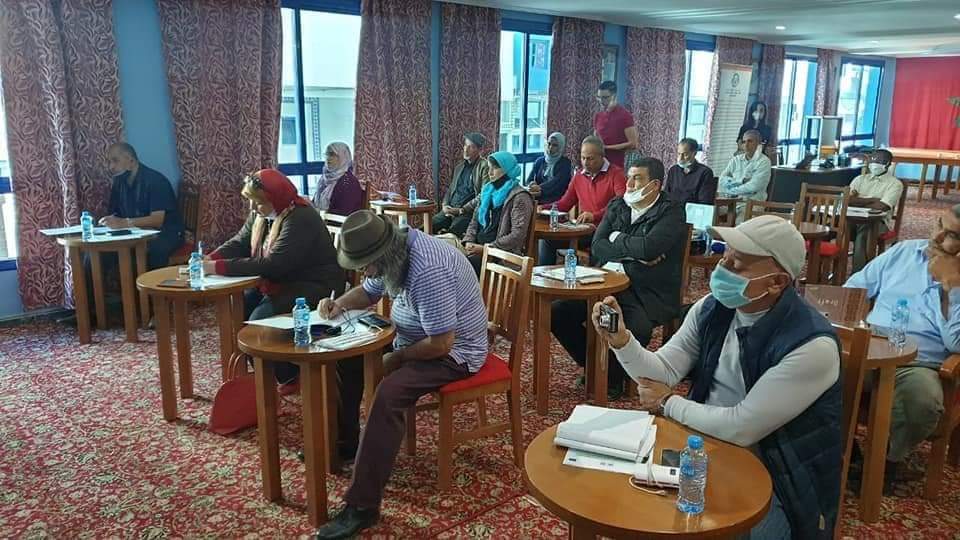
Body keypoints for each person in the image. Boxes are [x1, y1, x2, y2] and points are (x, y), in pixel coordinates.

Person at [593, 215, 841, 539]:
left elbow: (742, 426)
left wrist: (667, 403)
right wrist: (622, 342)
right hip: (704, 445)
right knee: (625, 499)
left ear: (777, 282)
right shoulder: (714, 308)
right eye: (724, 256)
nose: (721, 269)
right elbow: (663, 371)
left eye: (737, 265)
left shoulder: (811, 345)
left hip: (777, 473)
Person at [313, 210, 488, 539]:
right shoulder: (393, 250)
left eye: (366, 265)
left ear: (383, 255)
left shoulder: (428, 269)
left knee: (389, 393)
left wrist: (396, 359)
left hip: (455, 354)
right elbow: (369, 291)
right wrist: (341, 304)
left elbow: (441, 343)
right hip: (414, 339)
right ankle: (347, 442)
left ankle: (363, 506)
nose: (364, 271)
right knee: (348, 360)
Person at [844, 205, 960, 489]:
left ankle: (886, 461)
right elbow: (854, 288)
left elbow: (956, 343)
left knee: (922, 401)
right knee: (817, 372)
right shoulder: (904, 252)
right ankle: (842, 447)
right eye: (939, 224)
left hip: (921, 362)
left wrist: (952, 288)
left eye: (953, 235)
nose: (938, 236)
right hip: (872, 346)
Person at [551, 157, 686, 399]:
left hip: (646, 289)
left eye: (637, 179)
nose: (630, 184)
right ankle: (595, 366)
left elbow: (649, 249)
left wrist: (616, 238)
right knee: (558, 312)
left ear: (655, 185)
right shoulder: (618, 204)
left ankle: (612, 378)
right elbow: (598, 246)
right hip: (605, 281)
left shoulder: (671, 210)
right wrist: (632, 251)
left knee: (636, 327)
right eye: (629, 177)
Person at [204, 169, 344, 383]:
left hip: (315, 284)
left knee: (257, 322)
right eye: (251, 201)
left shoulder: (300, 216)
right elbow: (240, 242)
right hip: (285, 280)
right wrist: (210, 258)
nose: (252, 207)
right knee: (239, 307)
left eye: (258, 202)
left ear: (275, 198)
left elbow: (273, 265)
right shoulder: (263, 214)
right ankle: (267, 373)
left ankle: (287, 375)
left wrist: (216, 267)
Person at [537, 136, 626, 265]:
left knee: (598, 245)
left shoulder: (616, 174)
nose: (585, 162)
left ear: (602, 156)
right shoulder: (579, 175)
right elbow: (565, 203)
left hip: (607, 230)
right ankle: (544, 275)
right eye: (583, 158)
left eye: (590, 158)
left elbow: (620, 204)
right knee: (547, 240)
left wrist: (594, 215)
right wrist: (543, 208)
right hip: (584, 230)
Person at [101, 142, 185, 269]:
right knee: (98, 255)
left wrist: (124, 223)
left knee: (151, 251)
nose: (111, 167)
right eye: (109, 162)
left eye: (115, 161)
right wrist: (109, 221)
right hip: (136, 231)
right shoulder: (119, 182)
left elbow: (157, 220)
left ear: (130, 160)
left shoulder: (156, 181)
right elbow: (114, 213)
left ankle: (147, 282)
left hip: (166, 232)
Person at [462, 151, 535, 275]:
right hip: (479, 248)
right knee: (450, 257)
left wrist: (487, 248)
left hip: (501, 255)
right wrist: (469, 241)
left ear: (507, 170)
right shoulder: (487, 191)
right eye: (489, 168)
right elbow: (474, 222)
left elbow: (517, 235)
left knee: (463, 266)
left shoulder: (520, 197)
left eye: (495, 168)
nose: (490, 173)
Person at [847, 149, 903, 272]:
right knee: (832, 228)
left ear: (888, 164)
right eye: (872, 159)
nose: (874, 163)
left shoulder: (895, 184)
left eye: (879, 161)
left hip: (878, 223)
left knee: (864, 231)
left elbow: (882, 206)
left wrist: (858, 200)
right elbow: (847, 200)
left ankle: (859, 273)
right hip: (852, 219)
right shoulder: (859, 179)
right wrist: (872, 200)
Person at [432, 132, 491, 237]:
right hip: (450, 208)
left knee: (449, 234)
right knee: (426, 227)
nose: (466, 149)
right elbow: (450, 189)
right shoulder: (459, 167)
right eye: (465, 145)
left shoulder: (484, 166)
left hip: (467, 212)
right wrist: (444, 205)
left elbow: (484, 194)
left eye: (471, 147)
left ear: (480, 150)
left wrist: (462, 210)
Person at [717, 130, 772, 223]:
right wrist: (741, 181)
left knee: (740, 224)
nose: (746, 144)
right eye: (744, 141)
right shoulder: (735, 160)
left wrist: (731, 189)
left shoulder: (764, 161)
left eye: (750, 141)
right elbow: (722, 181)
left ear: (758, 144)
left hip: (752, 203)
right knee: (710, 213)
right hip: (731, 202)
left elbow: (753, 187)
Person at [312, 142, 365, 216]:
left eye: (332, 154)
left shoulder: (348, 182)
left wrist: (321, 214)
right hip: (322, 219)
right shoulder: (324, 179)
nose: (328, 158)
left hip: (340, 222)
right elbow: (315, 203)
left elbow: (344, 212)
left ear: (343, 157)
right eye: (327, 154)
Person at [593, 80, 638, 169]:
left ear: (614, 96)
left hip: (617, 165)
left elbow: (633, 144)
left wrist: (607, 148)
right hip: (600, 163)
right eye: (599, 97)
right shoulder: (598, 116)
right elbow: (596, 137)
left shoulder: (625, 116)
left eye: (605, 97)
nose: (601, 101)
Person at [663, 138, 717, 206]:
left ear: (694, 153)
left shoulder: (705, 173)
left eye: (685, 154)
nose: (680, 158)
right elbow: (666, 195)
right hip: (672, 210)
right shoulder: (673, 170)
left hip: (692, 210)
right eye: (679, 154)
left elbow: (704, 202)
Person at [526, 132, 573, 205]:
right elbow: (529, 179)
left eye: (555, 145)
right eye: (549, 144)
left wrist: (540, 188)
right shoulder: (540, 161)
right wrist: (531, 184)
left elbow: (556, 183)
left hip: (556, 200)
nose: (550, 147)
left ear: (561, 147)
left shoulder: (565, 163)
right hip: (538, 198)